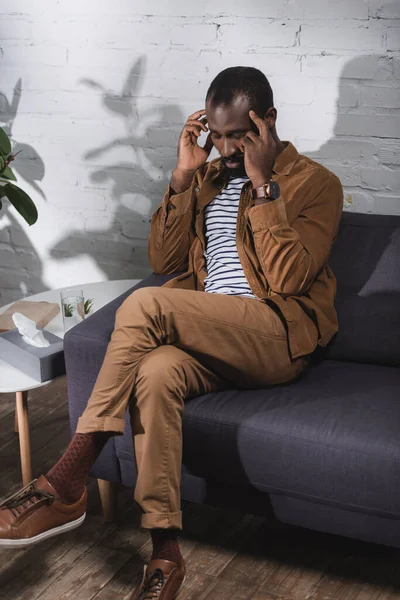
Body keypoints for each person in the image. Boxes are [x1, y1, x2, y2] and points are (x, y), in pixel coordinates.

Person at [0, 66, 343, 600]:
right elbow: (164, 259)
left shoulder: (314, 184)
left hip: (275, 334)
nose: (227, 148)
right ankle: (165, 553)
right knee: (156, 372)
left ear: (268, 121)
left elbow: (289, 279)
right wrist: (184, 177)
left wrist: (262, 184)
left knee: (146, 303)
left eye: (240, 135)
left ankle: (69, 478)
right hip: (210, 334)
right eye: (219, 135)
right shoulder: (208, 180)